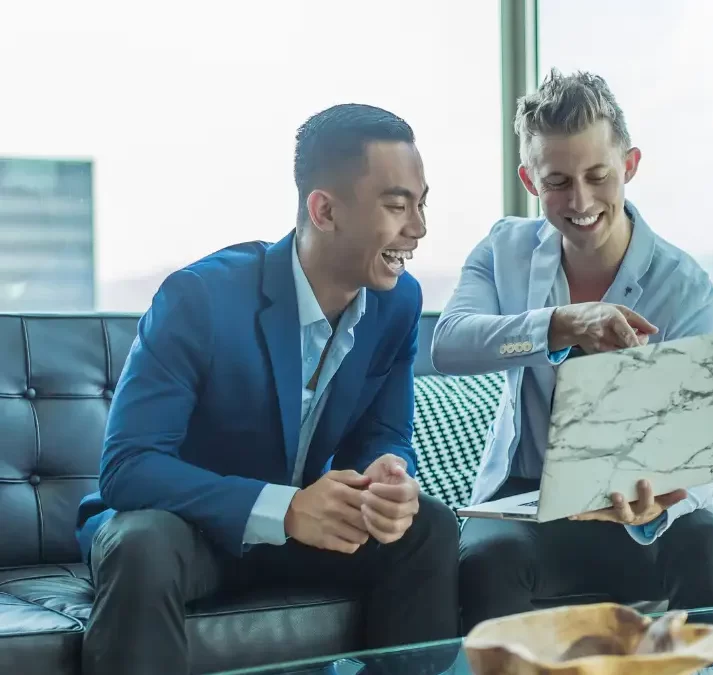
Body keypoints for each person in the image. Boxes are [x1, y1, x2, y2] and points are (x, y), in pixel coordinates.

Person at [76, 103, 459, 675]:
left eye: (422, 202)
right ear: (324, 210)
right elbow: (128, 468)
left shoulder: (397, 302)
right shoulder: (199, 299)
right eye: (397, 205)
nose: (419, 228)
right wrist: (285, 510)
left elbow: (385, 434)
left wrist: (388, 477)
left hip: (303, 531)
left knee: (426, 524)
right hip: (189, 531)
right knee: (143, 545)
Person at [431, 68, 713, 633]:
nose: (581, 200)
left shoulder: (686, 287)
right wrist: (560, 324)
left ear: (630, 165)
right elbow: (449, 343)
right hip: (528, 500)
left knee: (703, 545)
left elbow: (701, 446)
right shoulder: (503, 251)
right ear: (529, 180)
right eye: (558, 182)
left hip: (647, 504)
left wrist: (659, 499)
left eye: (598, 175)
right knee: (485, 561)